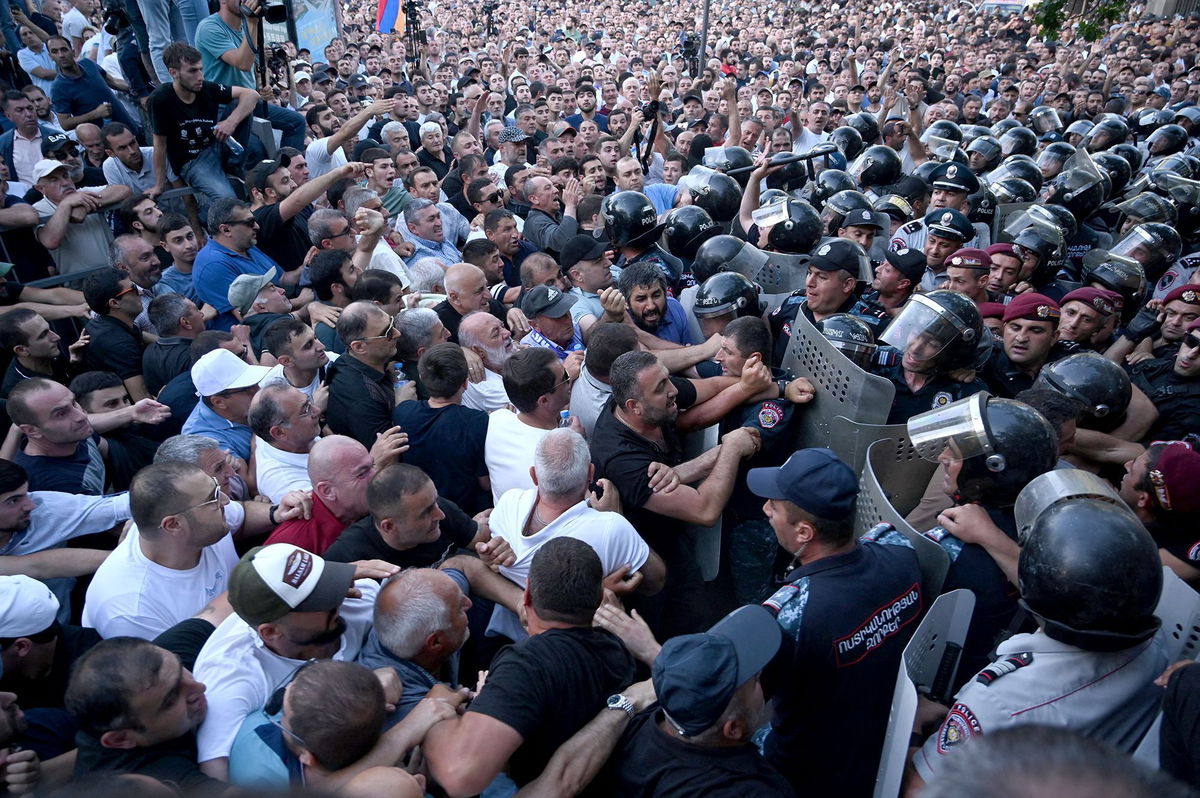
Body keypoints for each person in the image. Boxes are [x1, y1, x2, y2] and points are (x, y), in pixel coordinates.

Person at [910, 496, 1167, 787]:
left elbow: (918, 792)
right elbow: (1071, 595)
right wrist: (989, 537)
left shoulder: (999, 700)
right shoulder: (1155, 646)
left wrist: (914, 726)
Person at [748, 448, 922, 797]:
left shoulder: (786, 616)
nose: (766, 508)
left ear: (804, 533)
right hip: (880, 737)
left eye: (776, 506)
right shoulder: (901, 549)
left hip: (803, 771)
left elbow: (739, 706)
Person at [420, 537, 636, 794]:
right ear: (600, 597)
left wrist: (434, 710)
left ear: (528, 594)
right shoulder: (617, 650)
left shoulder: (527, 665)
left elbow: (459, 776)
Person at [590, 350, 761, 636]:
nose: (673, 391)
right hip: (646, 564)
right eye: (661, 388)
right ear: (635, 407)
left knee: (699, 615)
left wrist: (773, 387)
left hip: (674, 541)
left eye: (668, 380)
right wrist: (731, 448)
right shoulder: (621, 459)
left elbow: (717, 385)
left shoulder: (653, 394)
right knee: (674, 631)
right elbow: (704, 510)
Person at [192, 544, 389, 779]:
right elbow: (215, 778)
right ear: (271, 632)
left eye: (327, 583)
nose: (338, 598)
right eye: (318, 598)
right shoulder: (230, 680)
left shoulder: (360, 600)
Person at [598, 605, 795, 797]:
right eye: (756, 680)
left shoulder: (636, 727)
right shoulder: (751, 790)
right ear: (734, 729)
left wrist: (652, 652)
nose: (761, 673)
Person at [81, 461, 236, 640]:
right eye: (213, 497)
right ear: (173, 524)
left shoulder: (206, 520)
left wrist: (274, 513)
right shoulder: (133, 611)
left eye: (216, 488)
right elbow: (183, 665)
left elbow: (245, 516)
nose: (225, 500)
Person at [65, 637, 225, 795]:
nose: (199, 687)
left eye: (181, 667)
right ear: (120, 739)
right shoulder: (146, 784)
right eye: (171, 699)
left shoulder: (161, 667)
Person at [193, 0, 306, 159]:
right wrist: (252, 22)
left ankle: (288, 171)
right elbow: (242, 63)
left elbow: (255, 69)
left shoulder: (247, 27)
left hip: (250, 101)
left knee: (296, 122)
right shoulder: (209, 27)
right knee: (256, 151)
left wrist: (261, 89)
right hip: (224, 105)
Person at [148, 42, 259, 204]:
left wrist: (230, 122)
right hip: (193, 161)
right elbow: (159, 144)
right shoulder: (160, 99)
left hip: (217, 143)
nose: (200, 76)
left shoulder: (206, 88)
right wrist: (159, 184)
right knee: (228, 201)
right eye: (193, 71)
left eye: (201, 69)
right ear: (173, 73)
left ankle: (233, 167)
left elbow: (252, 95)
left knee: (241, 106)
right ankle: (206, 215)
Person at [391, 343, 490, 513]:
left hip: (422, 509)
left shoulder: (403, 412)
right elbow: (486, 483)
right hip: (468, 515)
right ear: (465, 383)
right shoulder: (478, 421)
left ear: (422, 378)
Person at [264, 435, 379, 554]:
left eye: (373, 465)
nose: (376, 475)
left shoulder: (368, 507)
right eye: (362, 473)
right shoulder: (292, 545)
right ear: (327, 491)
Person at [33, 157, 131, 276]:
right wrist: (65, 205)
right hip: (79, 281)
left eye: (65, 176)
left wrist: (83, 206)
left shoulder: (84, 193)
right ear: (40, 188)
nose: (65, 183)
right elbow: (50, 241)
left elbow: (123, 190)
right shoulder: (39, 209)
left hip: (115, 271)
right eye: (54, 180)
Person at [323, 302, 402, 447]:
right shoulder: (359, 395)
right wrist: (404, 406)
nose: (398, 333)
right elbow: (389, 453)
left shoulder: (373, 356)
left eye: (393, 323)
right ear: (359, 347)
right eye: (388, 333)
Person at [8, 377, 106, 495]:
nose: (81, 416)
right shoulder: (53, 486)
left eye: (74, 403)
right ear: (32, 431)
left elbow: (109, 450)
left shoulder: (72, 435)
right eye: (61, 414)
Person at [181, 347, 270, 461]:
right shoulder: (202, 440)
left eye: (256, 383)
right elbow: (245, 479)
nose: (258, 391)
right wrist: (259, 438)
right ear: (219, 402)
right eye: (247, 389)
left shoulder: (255, 397)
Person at [47, 35, 139, 133]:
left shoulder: (88, 64)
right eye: (55, 52)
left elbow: (113, 81)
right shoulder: (58, 88)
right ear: (51, 56)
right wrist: (95, 114)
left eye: (64, 49)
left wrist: (138, 89)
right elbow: (65, 123)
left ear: (73, 51)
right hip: (106, 138)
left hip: (129, 126)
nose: (61, 55)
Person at [143, 294, 206, 396]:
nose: (202, 314)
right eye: (197, 310)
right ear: (186, 322)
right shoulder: (197, 356)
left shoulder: (149, 352)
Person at [459, 310, 518, 412]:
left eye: (502, 326)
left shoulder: (500, 356)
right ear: (479, 351)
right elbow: (542, 411)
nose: (507, 333)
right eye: (496, 334)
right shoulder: (487, 388)